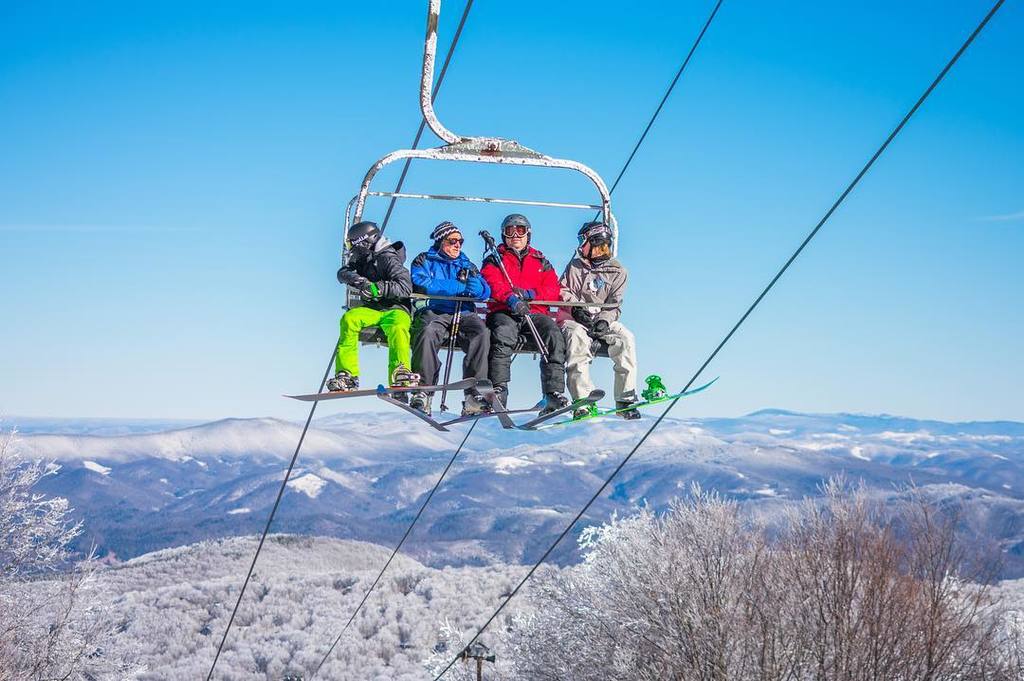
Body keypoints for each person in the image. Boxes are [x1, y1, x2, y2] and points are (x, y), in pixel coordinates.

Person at [480, 213, 569, 415]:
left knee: (553, 334)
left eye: (520, 231)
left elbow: (553, 289)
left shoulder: (540, 261)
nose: (515, 236)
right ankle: (499, 389)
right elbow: (492, 283)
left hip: (533, 312)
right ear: (504, 236)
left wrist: (530, 295)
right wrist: (510, 298)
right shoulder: (495, 260)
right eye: (510, 231)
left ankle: (553, 392)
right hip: (505, 311)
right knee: (502, 333)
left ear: (528, 234)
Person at [558, 220, 640, 419]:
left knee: (625, 338)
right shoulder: (576, 266)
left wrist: (604, 321)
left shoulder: (618, 271)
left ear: (595, 242)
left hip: (601, 319)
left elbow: (614, 304)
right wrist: (576, 309)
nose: (579, 245)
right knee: (576, 339)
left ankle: (625, 399)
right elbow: (562, 291)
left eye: (582, 240)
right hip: (576, 318)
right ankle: (582, 400)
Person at [409, 221, 492, 416]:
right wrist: (458, 287)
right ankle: (423, 388)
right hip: (435, 310)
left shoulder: (466, 264)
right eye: (453, 241)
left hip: (462, 312)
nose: (457, 245)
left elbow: (485, 289)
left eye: (460, 241)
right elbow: (423, 284)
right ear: (440, 241)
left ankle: (474, 394)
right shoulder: (424, 260)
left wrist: (479, 290)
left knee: (481, 332)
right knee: (427, 331)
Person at [328, 221, 418, 394]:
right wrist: (361, 282)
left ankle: (400, 371)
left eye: (352, 244)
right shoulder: (363, 259)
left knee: (398, 328)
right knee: (350, 318)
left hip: (395, 309)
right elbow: (343, 273)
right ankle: (347, 374)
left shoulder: (388, 258)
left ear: (364, 241)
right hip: (373, 310)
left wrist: (379, 288)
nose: (351, 249)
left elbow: (405, 287)